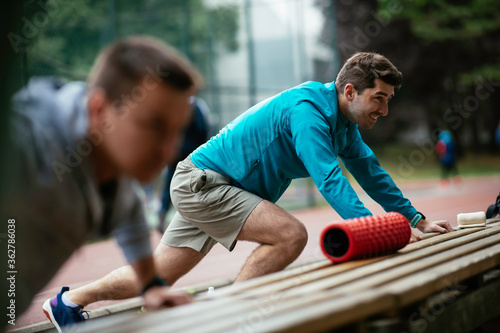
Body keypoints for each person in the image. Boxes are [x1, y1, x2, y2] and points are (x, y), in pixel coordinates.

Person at [45, 52, 453, 326]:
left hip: (209, 183)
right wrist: (372, 231)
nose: (384, 109)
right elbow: (330, 178)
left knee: (159, 275)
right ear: (350, 91)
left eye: (388, 100)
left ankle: (66, 303)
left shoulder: (343, 124)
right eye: (379, 98)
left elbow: (370, 172)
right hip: (204, 183)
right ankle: (233, 321)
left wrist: (414, 218)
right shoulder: (309, 111)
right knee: (290, 235)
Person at [1, 36, 202, 332]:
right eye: (155, 126)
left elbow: (130, 211)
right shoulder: (23, 146)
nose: (169, 151)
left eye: (176, 132)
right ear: (98, 110)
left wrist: (152, 285)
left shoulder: (110, 166)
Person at [158, 96, 210, 232]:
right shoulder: (198, 106)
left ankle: (163, 212)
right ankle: (199, 216)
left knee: (171, 183)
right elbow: (203, 128)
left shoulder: (175, 105)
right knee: (197, 183)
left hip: (177, 152)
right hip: (193, 153)